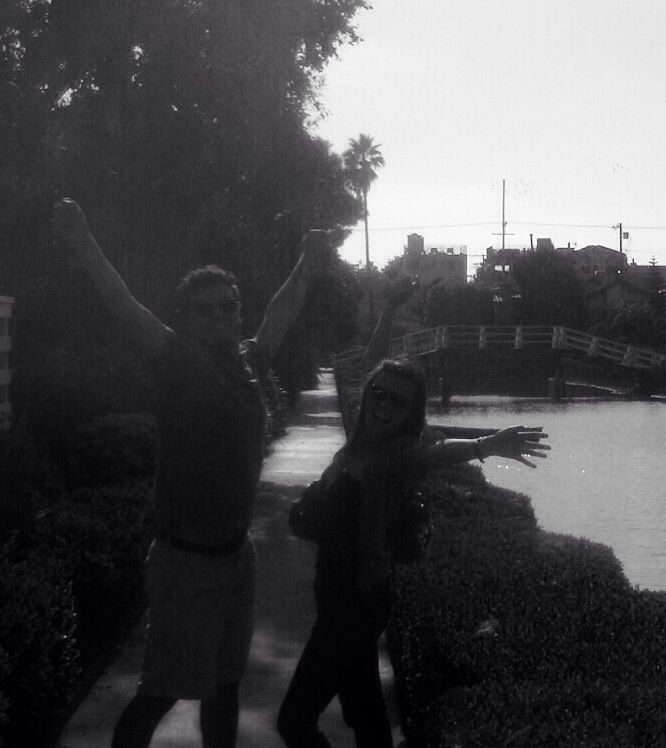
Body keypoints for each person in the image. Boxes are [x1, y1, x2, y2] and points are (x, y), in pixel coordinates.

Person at [50, 198, 330, 748]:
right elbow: (120, 300)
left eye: (227, 307)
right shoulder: (176, 360)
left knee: (225, 688)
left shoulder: (249, 361)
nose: (219, 317)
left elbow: (281, 311)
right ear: (186, 319)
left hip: (235, 557)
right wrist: (81, 237)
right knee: (161, 692)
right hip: (185, 563)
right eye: (205, 310)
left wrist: (307, 261)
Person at [276, 334, 549, 747]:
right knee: (365, 713)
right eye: (378, 394)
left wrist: (484, 445)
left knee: (294, 722)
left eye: (396, 402)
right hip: (342, 596)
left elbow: (433, 454)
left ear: (409, 414)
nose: (383, 405)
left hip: (354, 605)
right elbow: (371, 365)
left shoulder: (395, 457)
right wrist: (387, 307)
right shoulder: (360, 439)